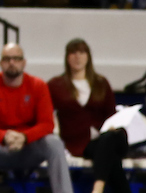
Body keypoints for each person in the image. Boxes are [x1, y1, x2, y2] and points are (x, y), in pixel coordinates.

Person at [0, 43, 72, 193]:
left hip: (29, 148)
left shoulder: (38, 85)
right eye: (7, 59)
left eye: (16, 58)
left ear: (24, 62)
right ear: (1, 63)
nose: (12, 63)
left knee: (54, 143)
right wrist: (4, 136)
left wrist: (24, 137)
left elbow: (47, 124)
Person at [47, 39, 128, 193]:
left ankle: (97, 188)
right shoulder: (55, 85)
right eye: (73, 52)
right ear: (67, 57)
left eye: (82, 52)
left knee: (109, 138)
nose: (77, 57)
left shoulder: (101, 83)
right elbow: (46, 113)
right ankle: (99, 188)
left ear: (88, 56)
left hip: (107, 136)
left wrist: (112, 125)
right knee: (112, 158)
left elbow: (112, 114)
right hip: (79, 143)